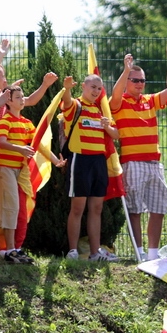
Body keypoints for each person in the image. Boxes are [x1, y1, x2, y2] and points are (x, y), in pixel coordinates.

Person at [110, 51, 167, 261]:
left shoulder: (150, 100)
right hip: (132, 162)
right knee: (135, 210)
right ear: (126, 81)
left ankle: (152, 253)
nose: (139, 84)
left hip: (154, 162)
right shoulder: (119, 102)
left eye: (142, 80)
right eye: (134, 80)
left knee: (159, 208)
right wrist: (125, 70)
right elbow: (115, 95)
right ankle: (140, 252)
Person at [0, 85, 64, 264]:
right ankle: (10, 249)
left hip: (20, 171)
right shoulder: (5, 121)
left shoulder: (26, 122)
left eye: (23, 96)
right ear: (9, 101)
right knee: (11, 207)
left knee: (19, 209)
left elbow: (39, 144)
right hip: (5, 168)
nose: (23, 99)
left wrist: (56, 161)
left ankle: (14, 248)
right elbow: (1, 142)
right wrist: (20, 149)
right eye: (18, 97)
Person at [61, 74, 120, 262]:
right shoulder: (76, 105)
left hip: (99, 162)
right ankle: (72, 251)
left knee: (96, 207)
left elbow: (116, 134)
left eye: (99, 88)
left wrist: (107, 127)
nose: (96, 91)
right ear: (84, 87)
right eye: (93, 87)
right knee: (77, 207)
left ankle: (95, 253)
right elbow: (66, 103)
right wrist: (67, 89)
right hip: (80, 160)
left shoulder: (101, 110)